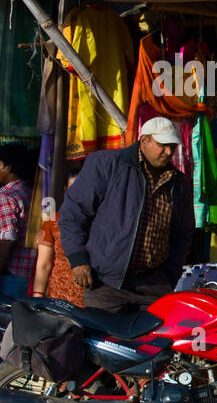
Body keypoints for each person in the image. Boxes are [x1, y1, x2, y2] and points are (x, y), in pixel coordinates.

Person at [59, 117, 194, 313]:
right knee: (103, 342)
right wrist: (78, 259)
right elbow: (73, 214)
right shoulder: (107, 164)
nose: (168, 152)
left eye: (172, 147)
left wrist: (170, 276)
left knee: (154, 343)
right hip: (106, 284)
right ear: (144, 140)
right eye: (162, 145)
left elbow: (183, 234)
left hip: (154, 286)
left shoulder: (179, 183)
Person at [30, 161, 85, 306]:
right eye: (73, 190)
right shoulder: (53, 221)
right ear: (66, 190)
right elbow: (44, 264)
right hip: (59, 299)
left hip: (93, 301)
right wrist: (38, 296)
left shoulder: (102, 222)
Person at [0, 143, 37, 299]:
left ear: (8, 167)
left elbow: (6, 241)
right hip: (30, 273)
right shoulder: (32, 192)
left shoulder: (6, 196)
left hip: (11, 275)